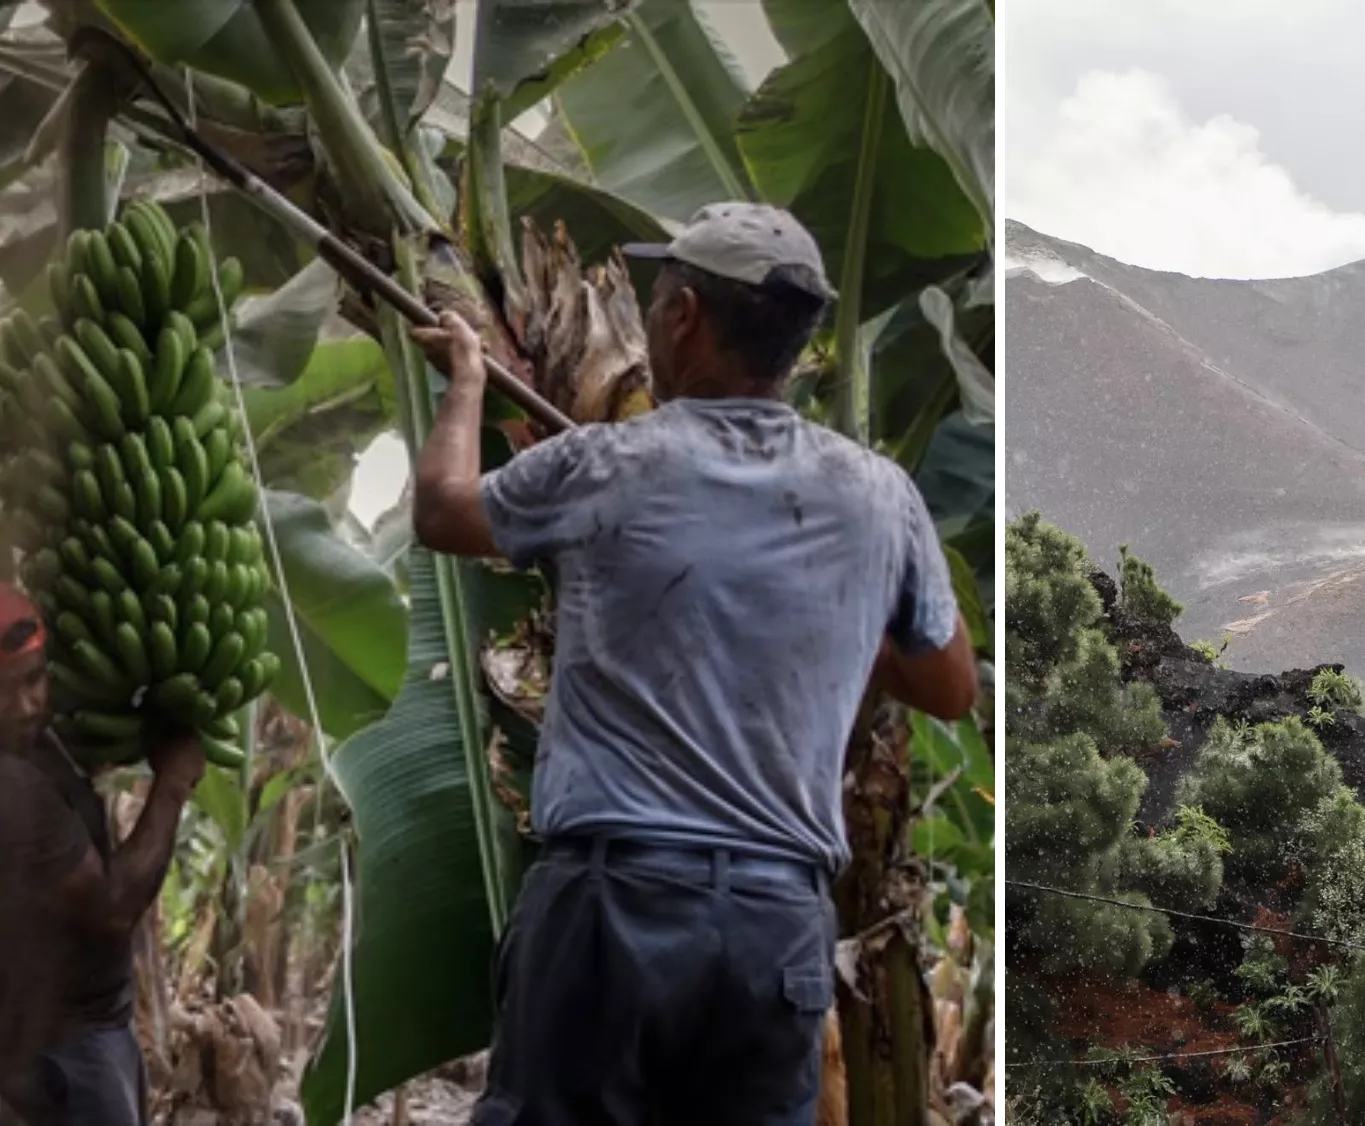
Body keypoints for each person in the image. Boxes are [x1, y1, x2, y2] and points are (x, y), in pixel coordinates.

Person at [408, 201, 980, 1124]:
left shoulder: (606, 465)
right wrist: (817, 606)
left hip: (613, 910)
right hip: (773, 931)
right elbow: (950, 685)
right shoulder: (880, 499)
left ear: (680, 318)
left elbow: (442, 511)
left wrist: (469, 380)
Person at [0, 582, 206, 1125]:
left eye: (33, 681)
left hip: (76, 1037)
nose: (24, 706)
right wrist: (173, 784)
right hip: (63, 1054)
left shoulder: (37, 740)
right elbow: (112, 908)